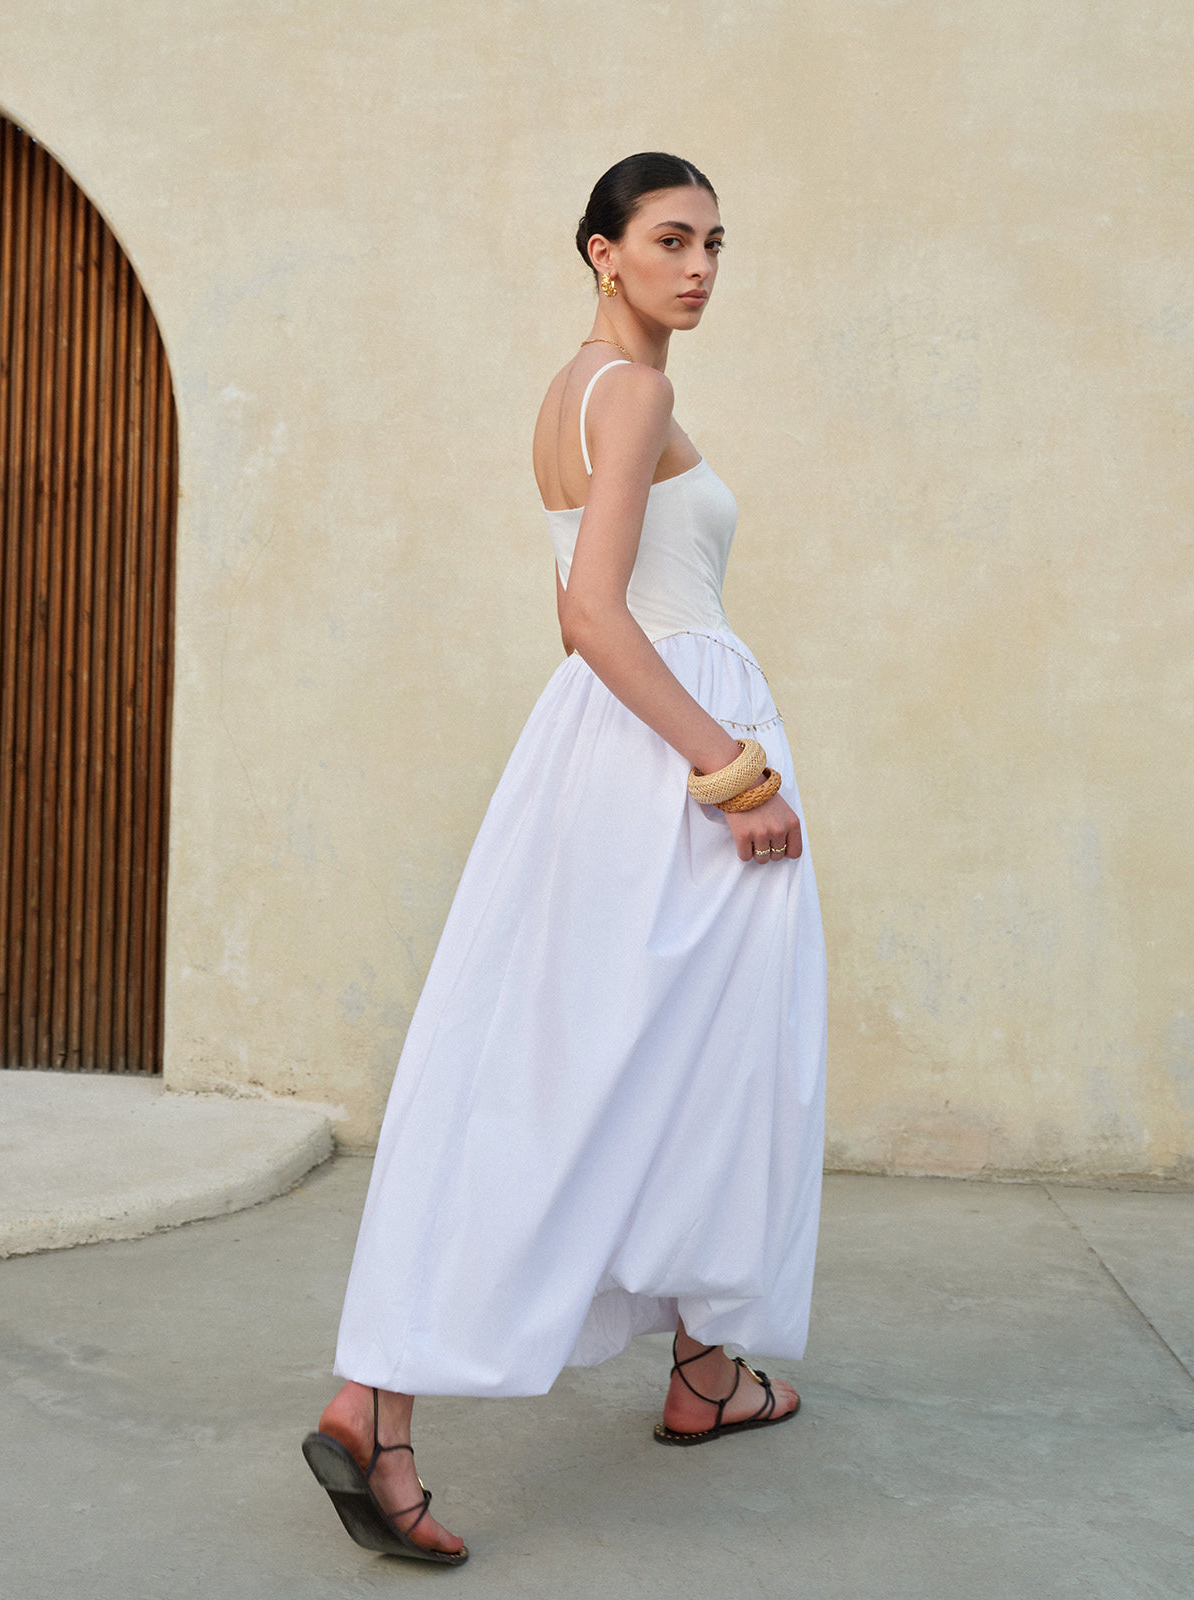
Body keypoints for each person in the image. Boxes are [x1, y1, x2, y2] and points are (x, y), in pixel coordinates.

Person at [301, 152, 827, 1567]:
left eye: (718, 241)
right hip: (671, 764)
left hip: (600, 761)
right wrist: (732, 771)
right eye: (670, 239)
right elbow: (594, 614)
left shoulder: (567, 395)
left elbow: (585, 619)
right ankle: (415, 1398)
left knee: (573, 1067)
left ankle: (428, 1397)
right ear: (602, 251)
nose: (701, 265)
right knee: (710, 1071)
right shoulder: (636, 392)